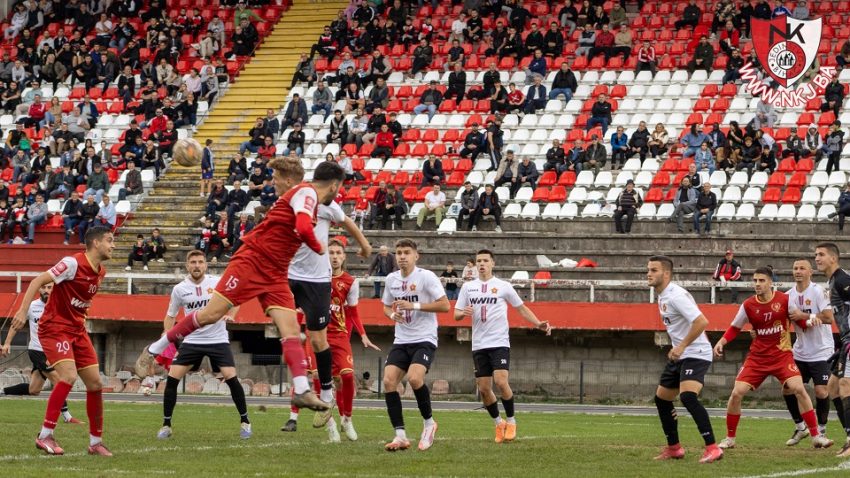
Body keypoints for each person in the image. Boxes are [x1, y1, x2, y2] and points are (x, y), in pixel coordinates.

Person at [135, 159, 344, 414]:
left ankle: (301, 390)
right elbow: (302, 227)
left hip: (276, 272)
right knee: (211, 314)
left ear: (289, 179)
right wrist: (318, 245)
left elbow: (298, 226)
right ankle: (156, 347)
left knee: (290, 331)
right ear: (334, 185)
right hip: (252, 261)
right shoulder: (306, 193)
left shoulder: (305, 193)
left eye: (277, 177)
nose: (273, 181)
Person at [10, 226, 115, 456]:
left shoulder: (100, 272)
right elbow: (38, 280)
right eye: (109, 240)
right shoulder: (72, 263)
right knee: (68, 375)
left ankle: (95, 442)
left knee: (96, 384)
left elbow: (79, 301)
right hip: (55, 328)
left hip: (77, 330)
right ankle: (45, 436)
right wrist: (22, 311)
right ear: (96, 243)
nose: (113, 245)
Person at [713, 268, 833, 449]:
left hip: (781, 355)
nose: (757, 284)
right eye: (755, 281)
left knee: (799, 389)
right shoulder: (748, 305)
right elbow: (735, 328)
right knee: (737, 393)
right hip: (757, 358)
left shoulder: (785, 300)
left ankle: (816, 435)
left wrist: (811, 321)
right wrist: (721, 342)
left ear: (771, 283)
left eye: (761, 280)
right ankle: (730, 438)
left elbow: (799, 320)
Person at [287, 172, 372, 428]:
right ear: (335, 185)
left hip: (317, 285)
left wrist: (365, 246)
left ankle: (335, 406)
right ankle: (298, 409)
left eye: (338, 252)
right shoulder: (296, 197)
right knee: (288, 329)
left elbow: (347, 222)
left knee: (318, 342)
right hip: (290, 274)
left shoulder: (328, 206)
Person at [285, 240, 381, 440]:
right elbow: (300, 309)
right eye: (331, 252)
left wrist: (363, 334)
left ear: (344, 256)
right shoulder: (313, 281)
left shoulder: (350, 282)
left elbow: (353, 313)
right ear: (324, 256)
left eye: (338, 252)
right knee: (320, 377)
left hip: (339, 335)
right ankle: (330, 425)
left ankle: (347, 418)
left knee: (346, 377)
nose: (335, 256)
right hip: (316, 334)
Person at [454, 249, 551, 444]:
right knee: (483, 388)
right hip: (479, 344)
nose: (481, 264)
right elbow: (456, 314)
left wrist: (538, 323)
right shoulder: (468, 288)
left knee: (500, 381)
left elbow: (521, 308)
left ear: (492, 263)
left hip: (499, 341)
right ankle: (499, 423)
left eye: (485, 261)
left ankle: (512, 421)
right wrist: (463, 312)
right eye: (479, 261)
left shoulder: (503, 286)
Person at [155, 251, 251, 440]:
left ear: (206, 265)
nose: (197, 265)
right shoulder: (179, 289)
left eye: (200, 262)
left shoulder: (217, 283)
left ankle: (245, 422)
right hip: (192, 341)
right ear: (187, 266)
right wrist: (167, 334)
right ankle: (166, 425)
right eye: (193, 262)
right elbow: (171, 315)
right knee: (172, 379)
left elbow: (237, 298)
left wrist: (231, 315)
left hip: (218, 340)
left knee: (232, 378)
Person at [646, 256, 723, 463]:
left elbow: (701, 322)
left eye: (654, 270)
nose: (649, 274)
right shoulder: (662, 296)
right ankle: (674, 448)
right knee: (662, 399)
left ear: (666, 274)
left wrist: (681, 346)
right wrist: (677, 348)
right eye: (648, 270)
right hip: (681, 354)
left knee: (688, 397)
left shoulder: (676, 295)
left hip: (696, 353)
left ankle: (713, 448)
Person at [381, 239, 451, 451]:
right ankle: (400, 435)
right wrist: (393, 314)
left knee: (414, 378)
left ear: (416, 256)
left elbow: (445, 305)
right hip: (402, 339)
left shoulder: (425, 277)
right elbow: (385, 306)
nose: (402, 256)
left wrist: (415, 305)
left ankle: (429, 424)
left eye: (406, 253)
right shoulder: (391, 279)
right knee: (388, 381)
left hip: (424, 338)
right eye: (399, 252)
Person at [0, 282, 82, 425]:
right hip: (37, 351)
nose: (46, 290)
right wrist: (7, 343)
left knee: (34, 389)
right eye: (43, 287)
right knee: (59, 381)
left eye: (49, 287)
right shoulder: (32, 306)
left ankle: (2, 391)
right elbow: (15, 324)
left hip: (53, 352)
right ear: (39, 289)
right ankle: (67, 416)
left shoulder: (60, 306)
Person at [781, 259, 837, 446]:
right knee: (788, 389)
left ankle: (821, 430)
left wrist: (804, 316)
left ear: (810, 272)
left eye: (802, 268)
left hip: (822, 351)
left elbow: (828, 318)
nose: (798, 271)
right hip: (800, 352)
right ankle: (801, 427)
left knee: (821, 391)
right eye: (795, 268)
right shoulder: (788, 296)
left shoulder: (818, 292)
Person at [813, 243, 850, 457]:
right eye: (816, 255)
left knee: (845, 384)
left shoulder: (842, 280)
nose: (817, 258)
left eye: (821, 254)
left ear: (833, 258)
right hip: (844, 340)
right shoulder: (832, 281)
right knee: (833, 386)